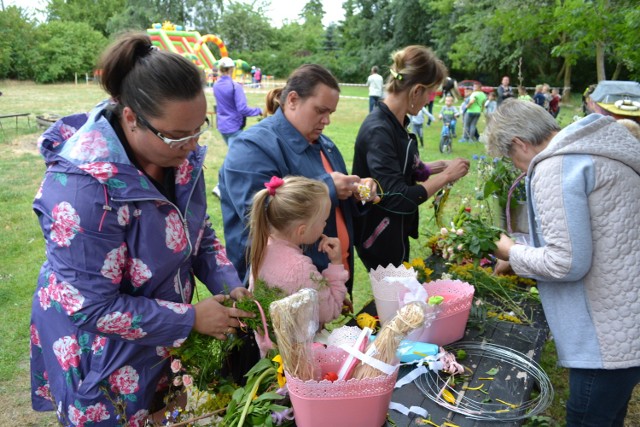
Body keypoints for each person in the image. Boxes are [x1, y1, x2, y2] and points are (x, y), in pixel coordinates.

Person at [29, 33, 255, 426]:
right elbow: (91, 306)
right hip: (102, 358)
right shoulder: (83, 188)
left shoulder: (178, 154)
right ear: (131, 117)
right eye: (177, 135)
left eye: (199, 128)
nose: (192, 144)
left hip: (160, 340)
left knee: (164, 416)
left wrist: (227, 281)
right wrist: (189, 319)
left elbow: (199, 232)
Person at [487, 99, 640, 427]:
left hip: (603, 339)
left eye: (512, 159)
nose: (517, 168)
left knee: (587, 418)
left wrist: (510, 251)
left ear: (520, 144)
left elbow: (566, 262)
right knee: (610, 415)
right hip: (627, 322)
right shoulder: (598, 148)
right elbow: (590, 235)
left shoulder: (556, 165)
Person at [219, 64, 378, 294]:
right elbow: (259, 214)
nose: (327, 121)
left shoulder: (327, 146)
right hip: (282, 297)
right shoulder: (251, 147)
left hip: (324, 289)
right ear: (292, 100)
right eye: (320, 110)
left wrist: (358, 192)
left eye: (330, 113)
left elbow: (338, 212)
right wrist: (328, 188)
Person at [352, 45, 470, 271]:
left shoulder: (395, 123)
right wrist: (447, 176)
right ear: (416, 91)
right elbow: (398, 197)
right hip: (380, 237)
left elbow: (397, 167)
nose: (429, 100)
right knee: (393, 301)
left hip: (394, 231)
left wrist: (432, 168)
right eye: (430, 93)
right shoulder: (379, 130)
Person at [247, 176, 348, 354]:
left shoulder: (262, 248)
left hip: (272, 359)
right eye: (323, 220)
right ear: (302, 230)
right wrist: (336, 263)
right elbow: (331, 310)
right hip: (301, 364)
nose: (325, 225)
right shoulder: (299, 269)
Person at [212, 56, 263, 197]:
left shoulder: (216, 85)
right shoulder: (235, 86)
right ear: (231, 69)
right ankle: (220, 186)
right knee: (235, 158)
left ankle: (233, 185)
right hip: (234, 126)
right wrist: (259, 110)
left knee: (234, 156)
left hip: (222, 126)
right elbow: (242, 109)